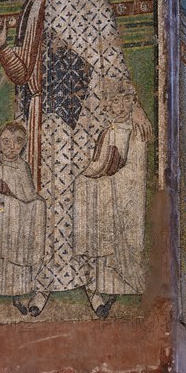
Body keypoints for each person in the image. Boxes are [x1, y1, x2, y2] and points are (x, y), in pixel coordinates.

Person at [0, 0, 152, 317]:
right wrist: (3, 46)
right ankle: (43, 286)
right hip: (49, 119)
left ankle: (93, 284)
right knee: (51, 198)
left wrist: (136, 106)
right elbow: (23, 72)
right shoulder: (36, 4)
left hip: (90, 115)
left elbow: (111, 60)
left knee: (87, 199)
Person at [74, 80, 150, 316]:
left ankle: (124, 286)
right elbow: (102, 160)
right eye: (111, 101)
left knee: (122, 238)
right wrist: (89, 173)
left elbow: (129, 166)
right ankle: (105, 288)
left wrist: (101, 173)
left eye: (119, 100)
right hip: (110, 190)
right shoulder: (111, 129)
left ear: (129, 102)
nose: (113, 106)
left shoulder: (134, 129)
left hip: (125, 193)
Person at [0, 121, 46, 320]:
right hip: (1, 224)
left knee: (16, 265)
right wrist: (7, 201)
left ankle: (17, 298)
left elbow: (29, 193)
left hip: (19, 224)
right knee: (0, 261)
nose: (11, 147)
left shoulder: (23, 167)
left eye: (17, 142)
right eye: (6, 142)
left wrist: (37, 203)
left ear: (23, 145)